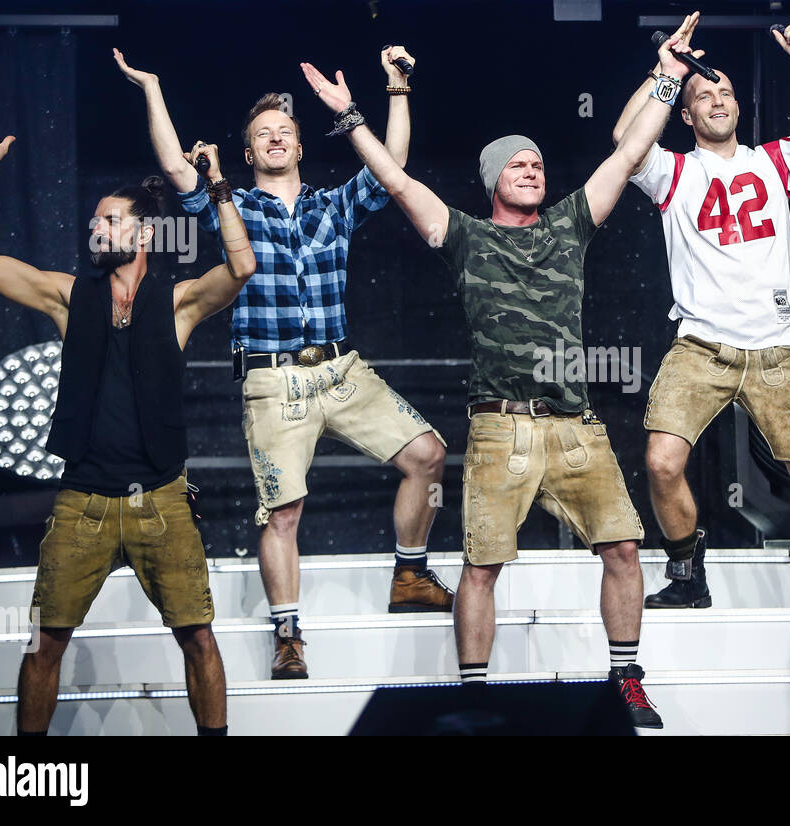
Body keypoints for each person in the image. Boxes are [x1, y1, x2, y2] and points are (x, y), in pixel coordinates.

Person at [294, 34, 704, 729]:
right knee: (481, 567)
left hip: (575, 425)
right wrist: (351, 116)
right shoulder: (462, 235)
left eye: (538, 163)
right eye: (516, 164)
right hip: (498, 428)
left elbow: (629, 154)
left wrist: (666, 80)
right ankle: (476, 696)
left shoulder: (572, 225)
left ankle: (627, 679)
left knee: (625, 548)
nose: (532, 170)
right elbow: (395, 183)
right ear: (492, 180)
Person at [113, 47, 454, 680]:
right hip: (273, 379)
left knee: (428, 455)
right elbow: (175, 169)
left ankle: (409, 573)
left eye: (284, 132)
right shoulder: (230, 205)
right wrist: (153, 89)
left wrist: (397, 90)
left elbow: (393, 166)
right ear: (249, 154)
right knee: (283, 511)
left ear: (299, 145)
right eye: (262, 135)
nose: (274, 139)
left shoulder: (334, 205)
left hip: (341, 370)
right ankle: (289, 634)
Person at [0, 99, 257, 735]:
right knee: (45, 643)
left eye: (110, 222)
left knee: (199, 639)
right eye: (94, 223)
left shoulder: (175, 304)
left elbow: (241, 267)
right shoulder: (70, 298)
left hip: (163, 500)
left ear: (144, 233)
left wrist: (218, 187)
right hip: (82, 503)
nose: (97, 231)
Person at [611, 14, 790, 609]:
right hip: (701, 345)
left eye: (725, 91)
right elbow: (626, 140)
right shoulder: (673, 171)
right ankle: (686, 573)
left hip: (778, 348)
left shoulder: (774, 162)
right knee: (661, 461)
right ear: (687, 113)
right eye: (705, 94)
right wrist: (666, 69)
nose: (718, 100)